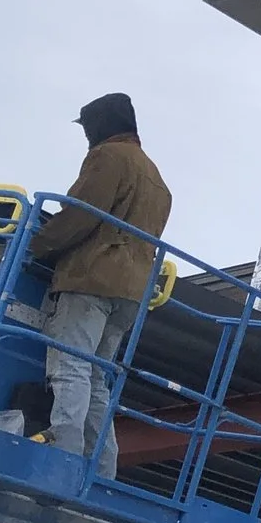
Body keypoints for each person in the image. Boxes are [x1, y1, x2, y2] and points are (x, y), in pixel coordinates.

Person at [30, 94, 172, 481]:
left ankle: (63, 458)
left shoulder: (108, 158)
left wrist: (35, 245)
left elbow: (81, 215)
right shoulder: (156, 178)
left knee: (70, 366)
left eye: (87, 127)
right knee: (96, 379)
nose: (87, 136)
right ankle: (101, 471)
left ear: (101, 125)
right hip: (131, 293)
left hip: (91, 279)